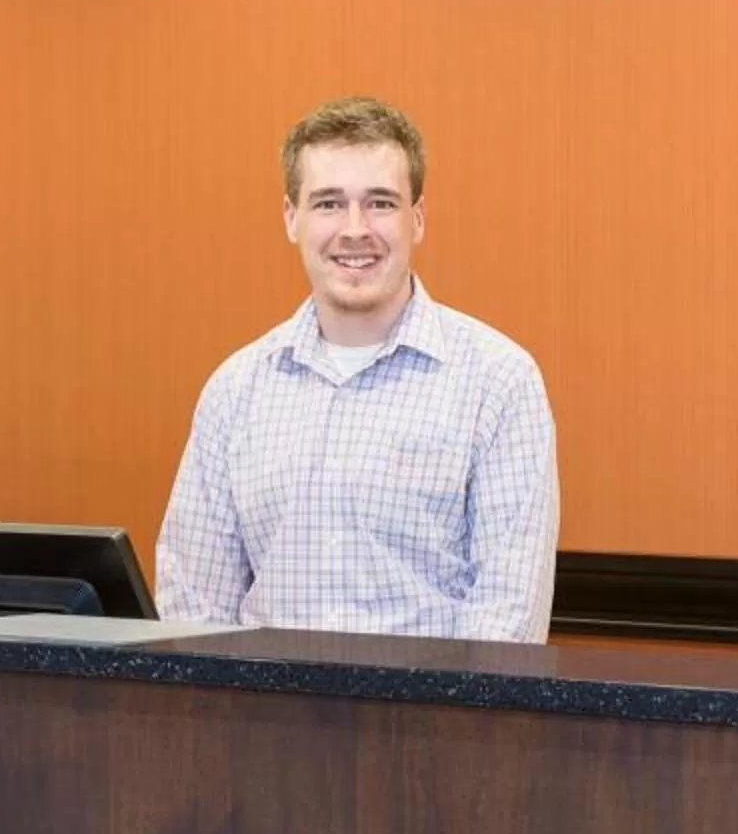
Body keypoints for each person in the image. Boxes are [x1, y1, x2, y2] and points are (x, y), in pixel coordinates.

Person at [156, 96, 558, 640]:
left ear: (417, 219)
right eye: (327, 204)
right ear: (291, 218)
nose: (354, 229)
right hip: (265, 722)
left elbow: (507, 617)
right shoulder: (236, 390)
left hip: (428, 723)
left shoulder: (498, 382)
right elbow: (193, 605)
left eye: (380, 203)